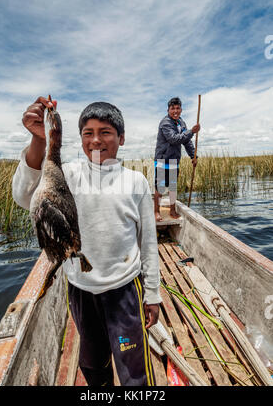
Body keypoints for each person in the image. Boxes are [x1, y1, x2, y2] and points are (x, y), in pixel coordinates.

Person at [12, 97, 161, 386]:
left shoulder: (135, 182)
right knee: (93, 364)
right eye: (87, 133)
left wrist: (152, 293)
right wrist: (38, 140)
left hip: (125, 291)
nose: (96, 140)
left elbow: (148, 244)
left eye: (105, 132)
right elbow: (24, 196)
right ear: (79, 138)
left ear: (121, 137)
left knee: (134, 369)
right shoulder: (68, 174)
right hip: (81, 291)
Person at [154, 97, 200, 221]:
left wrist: (193, 156)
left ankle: (172, 210)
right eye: (172, 108)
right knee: (160, 187)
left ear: (181, 109)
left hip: (174, 160)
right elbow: (174, 139)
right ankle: (156, 212)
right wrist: (191, 132)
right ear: (168, 110)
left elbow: (186, 141)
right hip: (162, 159)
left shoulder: (181, 122)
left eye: (178, 108)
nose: (175, 111)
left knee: (173, 187)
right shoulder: (165, 123)